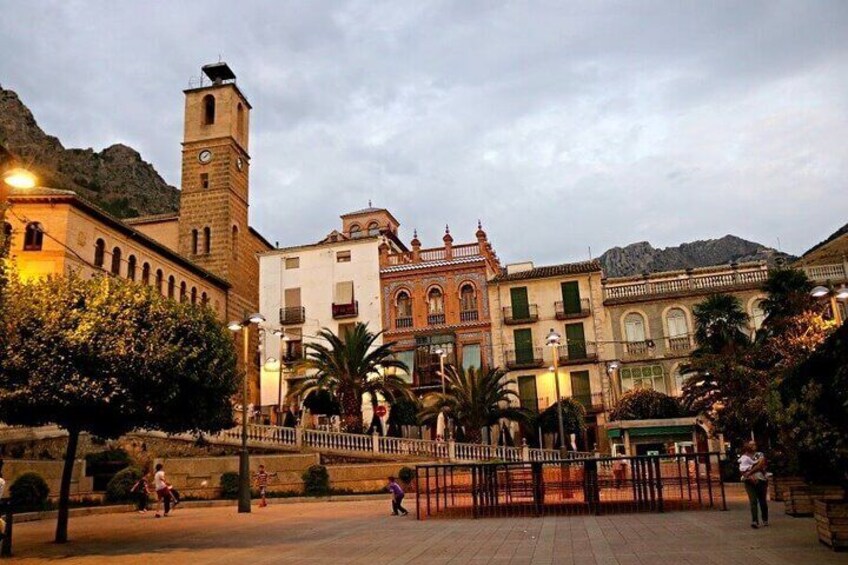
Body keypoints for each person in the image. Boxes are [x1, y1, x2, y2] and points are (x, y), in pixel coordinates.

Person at [739, 441, 769, 528]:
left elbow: (760, 466)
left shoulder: (760, 455)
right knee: (753, 501)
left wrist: (749, 472)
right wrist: (747, 475)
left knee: (762, 501)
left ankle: (765, 519)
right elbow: (741, 469)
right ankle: (754, 521)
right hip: (749, 481)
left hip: (761, 480)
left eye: (754, 444)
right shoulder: (744, 456)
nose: (752, 446)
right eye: (750, 444)